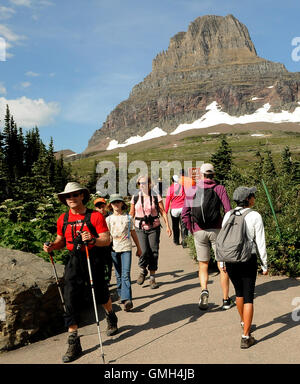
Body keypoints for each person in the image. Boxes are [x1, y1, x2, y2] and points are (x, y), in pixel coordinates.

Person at [43, 182, 118, 363]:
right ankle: (73, 340)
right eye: (68, 196)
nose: (72, 198)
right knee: (69, 298)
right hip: (74, 261)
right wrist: (52, 246)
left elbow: (106, 239)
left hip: (93, 259)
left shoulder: (95, 216)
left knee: (101, 295)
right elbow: (61, 240)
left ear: (82, 196)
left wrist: (92, 239)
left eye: (75, 195)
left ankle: (110, 314)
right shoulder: (63, 219)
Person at [220, 186, 268, 349]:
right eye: (252, 195)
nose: (254, 197)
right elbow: (260, 242)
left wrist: (221, 261)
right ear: (247, 199)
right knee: (248, 296)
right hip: (248, 258)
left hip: (230, 259)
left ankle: (243, 323)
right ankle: (246, 337)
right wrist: (264, 264)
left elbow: (222, 238)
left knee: (239, 293)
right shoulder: (255, 216)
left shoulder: (228, 214)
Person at [182, 163, 234, 310]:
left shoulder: (192, 189)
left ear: (201, 175)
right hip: (217, 230)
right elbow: (228, 210)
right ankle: (225, 300)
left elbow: (185, 213)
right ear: (213, 175)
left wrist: (191, 229)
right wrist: (225, 229)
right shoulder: (220, 188)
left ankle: (204, 289)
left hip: (199, 230)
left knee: (203, 264)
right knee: (222, 264)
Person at [129, 175, 172, 289]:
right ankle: (143, 270)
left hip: (154, 227)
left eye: (144, 183)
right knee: (143, 251)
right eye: (140, 183)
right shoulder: (135, 196)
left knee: (154, 251)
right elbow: (131, 213)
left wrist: (168, 226)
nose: (142, 185)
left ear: (149, 183)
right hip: (140, 227)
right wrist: (126, 225)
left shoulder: (155, 196)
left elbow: (163, 212)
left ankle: (152, 277)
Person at [106, 194, 142, 311]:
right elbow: (106, 235)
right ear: (110, 205)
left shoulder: (128, 218)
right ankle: (122, 295)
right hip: (113, 249)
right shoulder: (108, 219)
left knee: (125, 274)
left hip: (126, 248)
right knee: (118, 274)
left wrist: (139, 247)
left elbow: (133, 233)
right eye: (114, 202)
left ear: (122, 203)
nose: (116, 204)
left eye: (118, 202)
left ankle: (127, 300)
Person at [165, 175, 188, 247]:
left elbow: (168, 200)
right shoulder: (183, 187)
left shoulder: (170, 188)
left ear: (172, 181)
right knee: (184, 226)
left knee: (175, 226)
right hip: (183, 208)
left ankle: (176, 240)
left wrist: (165, 211)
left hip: (174, 209)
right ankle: (184, 241)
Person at [94, 197, 113, 285]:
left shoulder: (110, 215)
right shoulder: (94, 217)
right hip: (98, 243)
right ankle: (102, 279)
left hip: (110, 242)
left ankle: (108, 279)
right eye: (98, 207)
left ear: (105, 206)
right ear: (95, 208)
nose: (101, 209)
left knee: (109, 261)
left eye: (102, 206)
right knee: (100, 262)